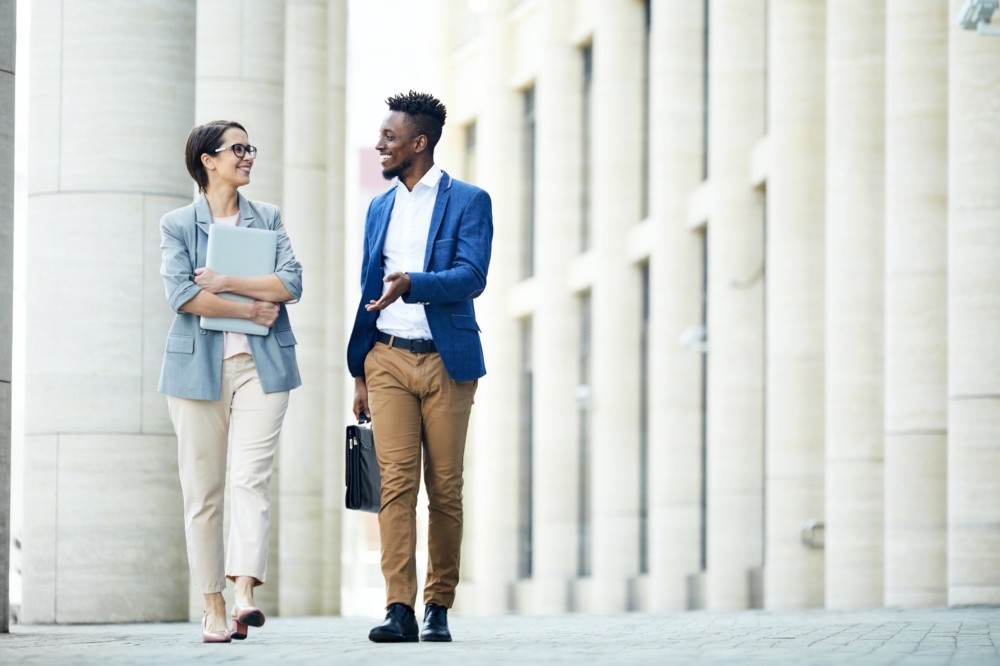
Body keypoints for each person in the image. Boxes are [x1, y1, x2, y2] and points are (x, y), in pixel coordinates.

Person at [347, 91, 493, 643]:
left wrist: (415, 285)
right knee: (395, 488)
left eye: (389, 137)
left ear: (419, 142)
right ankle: (398, 608)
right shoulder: (379, 206)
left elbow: (472, 275)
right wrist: (359, 369)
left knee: (446, 488)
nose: (380, 144)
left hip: (446, 363)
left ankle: (438, 605)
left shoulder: (469, 201)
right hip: (386, 358)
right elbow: (367, 287)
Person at [158, 120, 302, 643]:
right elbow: (181, 296)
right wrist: (254, 308)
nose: (248, 156)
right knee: (204, 492)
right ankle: (213, 606)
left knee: (251, 478)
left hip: (263, 369)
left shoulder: (269, 218)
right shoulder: (178, 224)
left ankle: (244, 592)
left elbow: (291, 283)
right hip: (197, 369)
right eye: (237, 149)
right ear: (208, 160)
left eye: (249, 147)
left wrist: (224, 282)